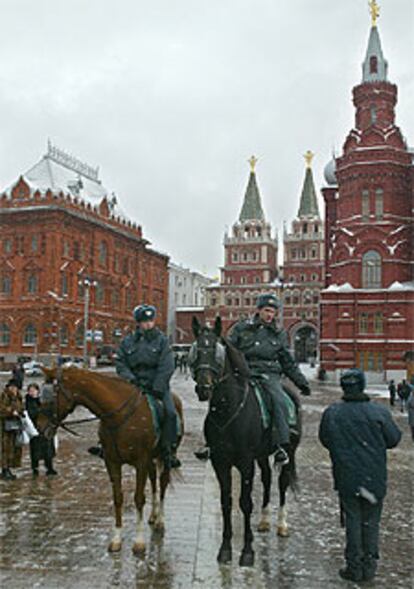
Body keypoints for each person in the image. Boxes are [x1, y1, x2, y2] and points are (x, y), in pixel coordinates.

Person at [319, 368, 402, 582]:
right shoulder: (379, 412)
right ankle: (369, 567)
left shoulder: (333, 412)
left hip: (346, 477)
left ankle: (353, 567)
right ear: (363, 386)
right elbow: (394, 439)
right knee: (371, 522)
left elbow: (325, 439)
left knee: (353, 521)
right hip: (374, 477)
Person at [227, 293, 311, 465]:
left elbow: (287, 361)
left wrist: (301, 382)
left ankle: (281, 444)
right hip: (244, 373)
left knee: (279, 400)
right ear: (258, 310)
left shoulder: (279, 334)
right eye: (266, 310)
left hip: (268, 374)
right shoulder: (242, 329)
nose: (269, 315)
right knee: (223, 397)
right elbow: (228, 350)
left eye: (273, 312)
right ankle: (212, 442)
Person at [115, 304, 180, 470]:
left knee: (171, 413)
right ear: (138, 323)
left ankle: (168, 449)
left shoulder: (162, 341)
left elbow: (167, 365)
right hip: (134, 384)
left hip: (156, 385)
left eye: (150, 321)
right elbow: (121, 363)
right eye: (144, 322)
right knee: (112, 408)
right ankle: (106, 444)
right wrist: (131, 379)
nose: (148, 324)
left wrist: (157, 385)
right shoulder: (128, 342)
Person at [25, 383, 57, 477]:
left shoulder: (42, 400)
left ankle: (49, 467)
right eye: (30, 390)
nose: (32, 392)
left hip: (45, 428)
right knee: (35, 450)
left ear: (38, 391)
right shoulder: (28, 401)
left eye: (34, 390)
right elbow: (30, 413)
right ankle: (35, 468)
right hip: (34, 429)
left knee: (48, 448)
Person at [0, 378, 24, 480]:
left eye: (16, 388)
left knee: (14, 448)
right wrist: (11, 411)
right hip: (5, 427)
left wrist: (21, 412)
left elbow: (21, 407)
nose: (14, 389)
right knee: (6, 448)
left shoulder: (18, 397)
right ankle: (5, 469)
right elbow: (1, 409)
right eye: (12, 387)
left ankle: (9, 468)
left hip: (15, 426)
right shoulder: (4, 396)